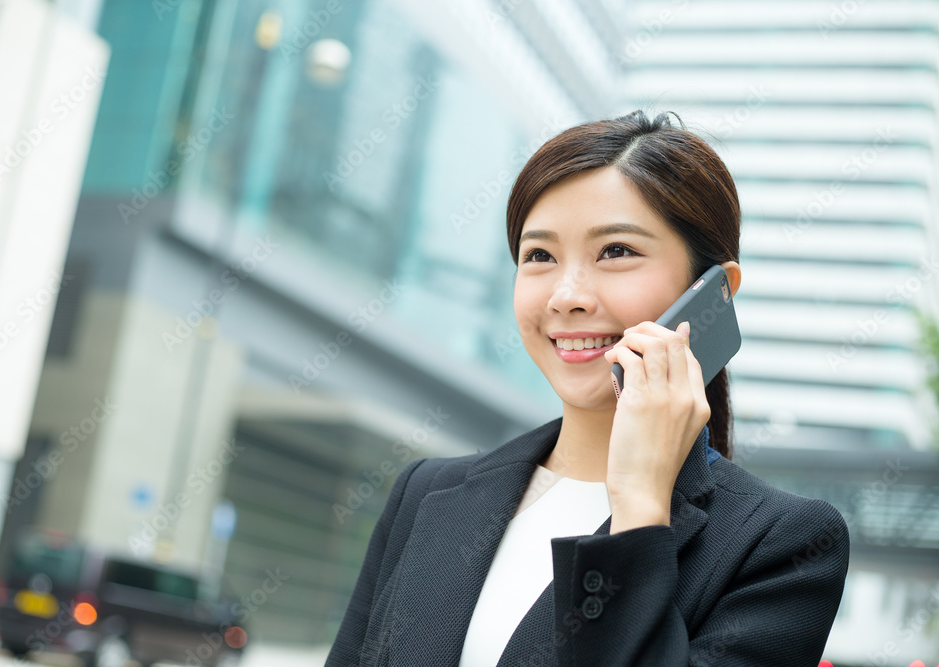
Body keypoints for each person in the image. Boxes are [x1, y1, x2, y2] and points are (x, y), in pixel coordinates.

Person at [325, 110, 850, 666]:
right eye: (540, 256)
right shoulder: (426, 494)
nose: (566, 295)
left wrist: (641, 505)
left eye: (616, 251)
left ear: (714, 290)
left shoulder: (779, 544)